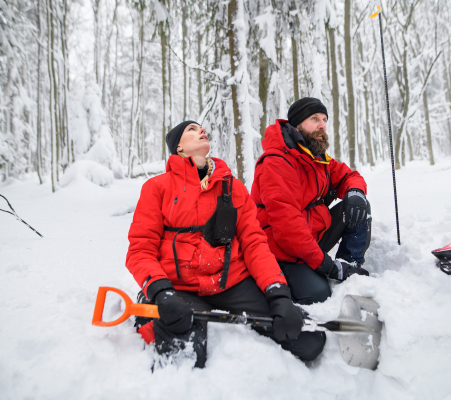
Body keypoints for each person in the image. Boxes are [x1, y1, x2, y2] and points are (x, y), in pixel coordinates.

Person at [126, 120, 326, 368]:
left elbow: (255, 244)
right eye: (191, 129)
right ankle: (150, 305)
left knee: (308, 340)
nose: (201, 130)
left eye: (201, 128)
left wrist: (278, 293)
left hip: (230, 283)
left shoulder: (233, 187)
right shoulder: (157, 188)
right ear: (178, 148)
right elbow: (140, 249)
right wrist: (161, 292)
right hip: (178, 288)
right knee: (184, 362)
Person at [251, 97, 371, 306]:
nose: (322, 125)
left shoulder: (316, 157)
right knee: (317, 295)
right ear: (297, 125)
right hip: (279, 249)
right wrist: (326, 265)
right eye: (314, 119)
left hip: (310, 237)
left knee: (358, 204)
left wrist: (355, 192)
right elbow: (288, 228)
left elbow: (348, 176)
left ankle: (348, 265)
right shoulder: (276, 162)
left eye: (324, 119)